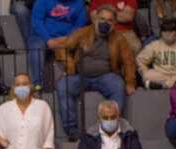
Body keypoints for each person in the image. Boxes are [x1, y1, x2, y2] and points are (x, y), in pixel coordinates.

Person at [53, 5, 136, 141]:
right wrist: (70, 64)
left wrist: (130, 82)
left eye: (109, 20)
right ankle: (72, 130)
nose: (105, 23)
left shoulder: (119, 39)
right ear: (95, 19)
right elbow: (62, 49)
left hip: (105, 76)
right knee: (63, 85)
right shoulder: (82, 33)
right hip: (80, 76)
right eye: (102, 18)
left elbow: (129, 61)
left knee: (118, 85)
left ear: (114, 24)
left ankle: (110, 127)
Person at [27, 0, 88, 90]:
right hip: (42, 36)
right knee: (36, 48)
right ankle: (37, 85)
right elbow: (37, 21)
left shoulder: (79, 3)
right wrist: (48, 40)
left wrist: (68, 39)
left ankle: (81, 83)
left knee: (85, 45)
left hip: (68, 38)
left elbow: (80, 25)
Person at [137, 21, 176, 89]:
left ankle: (162, 85)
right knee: (147, 75)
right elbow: (140, 60)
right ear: (161, 33)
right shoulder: (154, 45)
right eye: (165, 32)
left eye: (171, 31)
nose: (168, 34)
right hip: (161, 75)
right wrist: (144, 71)